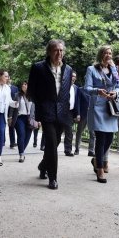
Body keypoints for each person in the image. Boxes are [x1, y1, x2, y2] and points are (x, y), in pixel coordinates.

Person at [27, 39, 73, 190]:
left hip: (62, 113)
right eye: (56, 50)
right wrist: (39, 109)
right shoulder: (38, 68)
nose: (59, 53)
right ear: (49, 52)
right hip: (46, 112)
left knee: (54, 143)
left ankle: (42, 165)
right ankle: (52, 178)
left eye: (61, 50)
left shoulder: (68, 69)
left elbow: (66, 93)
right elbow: (31, 92)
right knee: (52, 144)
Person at [85, 45, 119, 183]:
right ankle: (100, 169)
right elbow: (86, 88)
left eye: (110, 53)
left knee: (109, 139)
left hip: (110, 107)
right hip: (98, 108)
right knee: (100, 139)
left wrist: (115, 93)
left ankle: (96, 160)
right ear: (101, 55)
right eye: (106, 53)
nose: (108, 55)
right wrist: (97, 91)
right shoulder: (92, 69)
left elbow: (117, 87)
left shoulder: (113, 70)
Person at [8, 81, 38, 163]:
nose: (23, 86)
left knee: (28, 136)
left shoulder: (33, 96)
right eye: (22, 84)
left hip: (30, 118)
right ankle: (21, 154)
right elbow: (12, 107)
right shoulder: (17, 95)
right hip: (19, 117)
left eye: (25, 84)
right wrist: (10, 117)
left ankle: (22, 151)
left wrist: (38, 119)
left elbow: (37, 108)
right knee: (21, 134)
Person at [74, 86, 95, 156]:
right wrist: (78, 114)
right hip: (83, 114)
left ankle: (91, 151)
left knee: (93, 134)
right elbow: (77, 102)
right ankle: (77, 149)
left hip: (92, 115)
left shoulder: (94, 89)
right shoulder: (80, 90)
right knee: (79, 132)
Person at [63, 71, 80, 156]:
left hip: (70, 112)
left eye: (75, 76)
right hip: (61, 111)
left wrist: (77, 114)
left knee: (69, 132)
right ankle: (51, 148)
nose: (73, 78)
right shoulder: (63, 86)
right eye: (72, 76)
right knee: (57, 131)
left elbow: (77, 102)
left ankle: (68, 150)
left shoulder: (76, 88)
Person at [7, 77, 18, 149]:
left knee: (11, 125)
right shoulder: (2, 87)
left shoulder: (15, 88)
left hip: (13, 108)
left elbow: (17, 98)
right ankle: (2, 140)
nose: (8, 79)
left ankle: (12, 142)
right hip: (4, 107)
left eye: (9, 78)